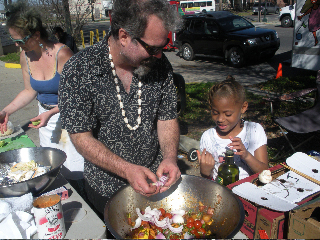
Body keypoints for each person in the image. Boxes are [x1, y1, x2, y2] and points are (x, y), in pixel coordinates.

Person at [58, 0, 182, 216]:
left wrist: (170, 157)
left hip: (155, 185)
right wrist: (127, 170)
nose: (159, 55)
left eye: (162, 48)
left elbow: (167, 117)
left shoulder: (159, 66)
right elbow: (80, 137)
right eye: (152, 48)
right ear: (124, 36)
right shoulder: (81, 69)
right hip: (106, 190)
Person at [0, 4, 84, 189]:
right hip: (44, 121)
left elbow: (78, 95)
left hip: (69, 119)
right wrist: (6, 111)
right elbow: (30, 90)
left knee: (76, 171)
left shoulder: (62, 54)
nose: (16, 45)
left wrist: (51, 112)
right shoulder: (25, 56)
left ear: (36, 35)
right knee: (54, 171)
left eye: (20, 40)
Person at [197, 76, 269, 181]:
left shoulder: (254, 130)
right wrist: (205, 171)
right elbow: (207, 177)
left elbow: (265, 172)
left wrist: (246, 156)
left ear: (243, 108)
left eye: (228, 114)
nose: (220, 119)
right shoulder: (208, 137)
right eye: (215, 113)